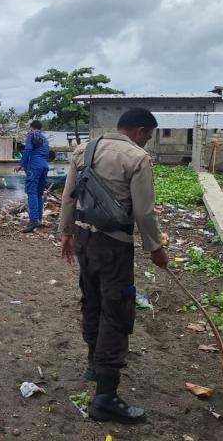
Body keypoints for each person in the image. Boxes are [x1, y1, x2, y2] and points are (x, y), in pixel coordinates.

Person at [58, 107, 169, 425]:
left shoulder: (84, 149)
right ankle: (105, 397)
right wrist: (155, 249)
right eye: (147, 136)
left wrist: (66, 234)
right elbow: (145, 212)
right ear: (138, 131)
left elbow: (69, 197)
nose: (146, 142)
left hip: (84, 240)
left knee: (91, 300)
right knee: (116, 312)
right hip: (114, 247)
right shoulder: (136, 158)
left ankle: (94, 364)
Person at [15, 121, 50, 232]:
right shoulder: (44, 138)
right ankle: (38, 220)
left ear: (31, 128)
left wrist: (22, 164)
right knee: (39, 193)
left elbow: (28, 149)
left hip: (34, 166)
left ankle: (34, 220)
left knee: (31, 192)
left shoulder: (31, 135)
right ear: (41, 128)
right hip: (44, 166)